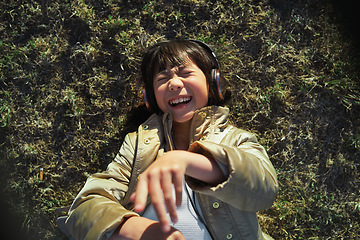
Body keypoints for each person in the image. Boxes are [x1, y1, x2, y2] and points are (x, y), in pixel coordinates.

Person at [58, 39, 278, 240]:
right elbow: (83, 207)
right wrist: (138, 231)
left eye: (185, 73)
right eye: (162, 78)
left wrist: (187, 162)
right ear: (151, 97)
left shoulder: (235, 139)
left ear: (213, 82)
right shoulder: (137, 146)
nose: (174, 83)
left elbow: (265, 190)